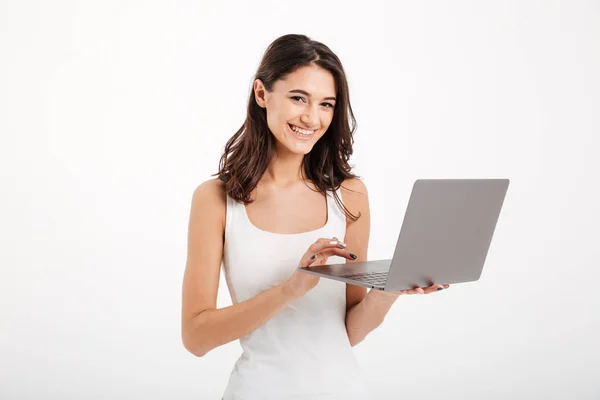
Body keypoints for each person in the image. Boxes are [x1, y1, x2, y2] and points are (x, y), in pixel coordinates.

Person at [181, 33, 449, 400]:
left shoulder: (349, 195)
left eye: (326, 104)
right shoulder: (215, 200)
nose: (312, 117)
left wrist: (390, 290)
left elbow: (348, 332)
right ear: (262, 94)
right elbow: (196, 338)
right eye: (298, 98)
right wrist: (292, 289)